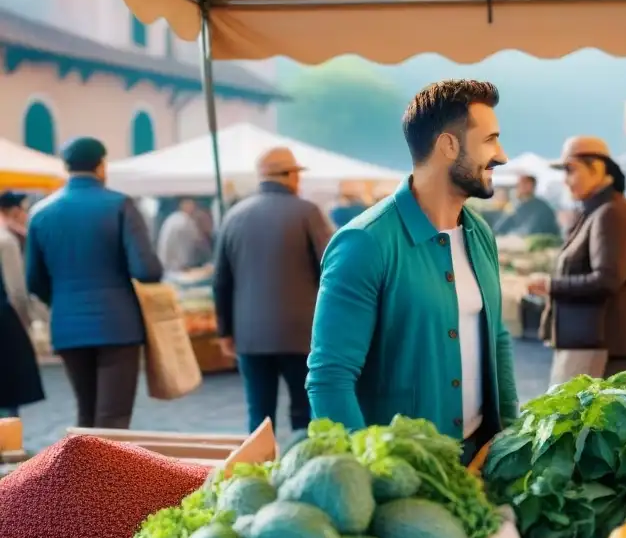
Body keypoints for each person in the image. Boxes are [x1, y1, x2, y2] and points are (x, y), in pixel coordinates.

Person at [306, 79, 519, 462]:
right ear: (448, 146)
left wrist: (509, 440)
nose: (501, 155)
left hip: (480, 460)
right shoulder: (364, 244)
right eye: (490, 140)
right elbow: (329, 379)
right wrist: (373, 480)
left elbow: (497, 339)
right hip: (405, 478)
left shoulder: (480, 233)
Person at [25, 137, 163, 428]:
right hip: (118, 324)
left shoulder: (40, 214)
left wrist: (62, 299)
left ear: (66, 167)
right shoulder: (120, 205)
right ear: (102, 165)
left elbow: (33, 280)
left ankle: (84, 474)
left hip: (67, 324)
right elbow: (147, 269)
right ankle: (107, 475)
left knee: (85, 414)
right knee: (113, 417)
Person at [213, 146, 333, 435]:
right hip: (301, 333)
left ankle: (258, 469)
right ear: (290, 176)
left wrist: (224, 332)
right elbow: (331, 268)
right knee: (303, 411)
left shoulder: (233, 216)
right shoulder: (308, 212)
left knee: (258, 415)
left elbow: (221, 282)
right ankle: (300, 473)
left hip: (250, 336)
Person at [527, 136, 626, 382]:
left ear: (598, 167)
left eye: (571, 170)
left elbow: (606, 280)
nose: (566, 180)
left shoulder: (611, 212)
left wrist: (551, 286)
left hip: (601, 344)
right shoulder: (596, 210)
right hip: (589, 342)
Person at [0, 196, 44, 418]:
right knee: (8, 387)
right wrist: (25, 322)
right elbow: (16, 289)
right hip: (4, 320)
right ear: (14, 210)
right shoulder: (6, 240)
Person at [492, 175, 561, 237]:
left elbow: (533, 231)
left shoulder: (542, 208)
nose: (521, 186)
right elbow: (500, 227)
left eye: (525, 183)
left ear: (532, 185)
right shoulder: (515, 206)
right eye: (519, 184)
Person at [157, 198, 208, 272]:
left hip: (166, 269)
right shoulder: (184, 221)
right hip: (176, 271)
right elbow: (184, 257)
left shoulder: (173, 218)